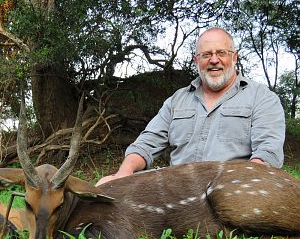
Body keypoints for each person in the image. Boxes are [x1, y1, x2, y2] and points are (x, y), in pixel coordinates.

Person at [95, 27, 285, 186]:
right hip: (177, 188)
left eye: (221, 53)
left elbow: (268, 151)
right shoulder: (177, 100)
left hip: (230, 186)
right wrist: (124, 173)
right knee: (105, 185)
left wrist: (244, 186)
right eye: (206, 55)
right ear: (197, 61)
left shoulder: (262, 97)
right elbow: (147, 142)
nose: (214, 60)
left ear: (234, 57)